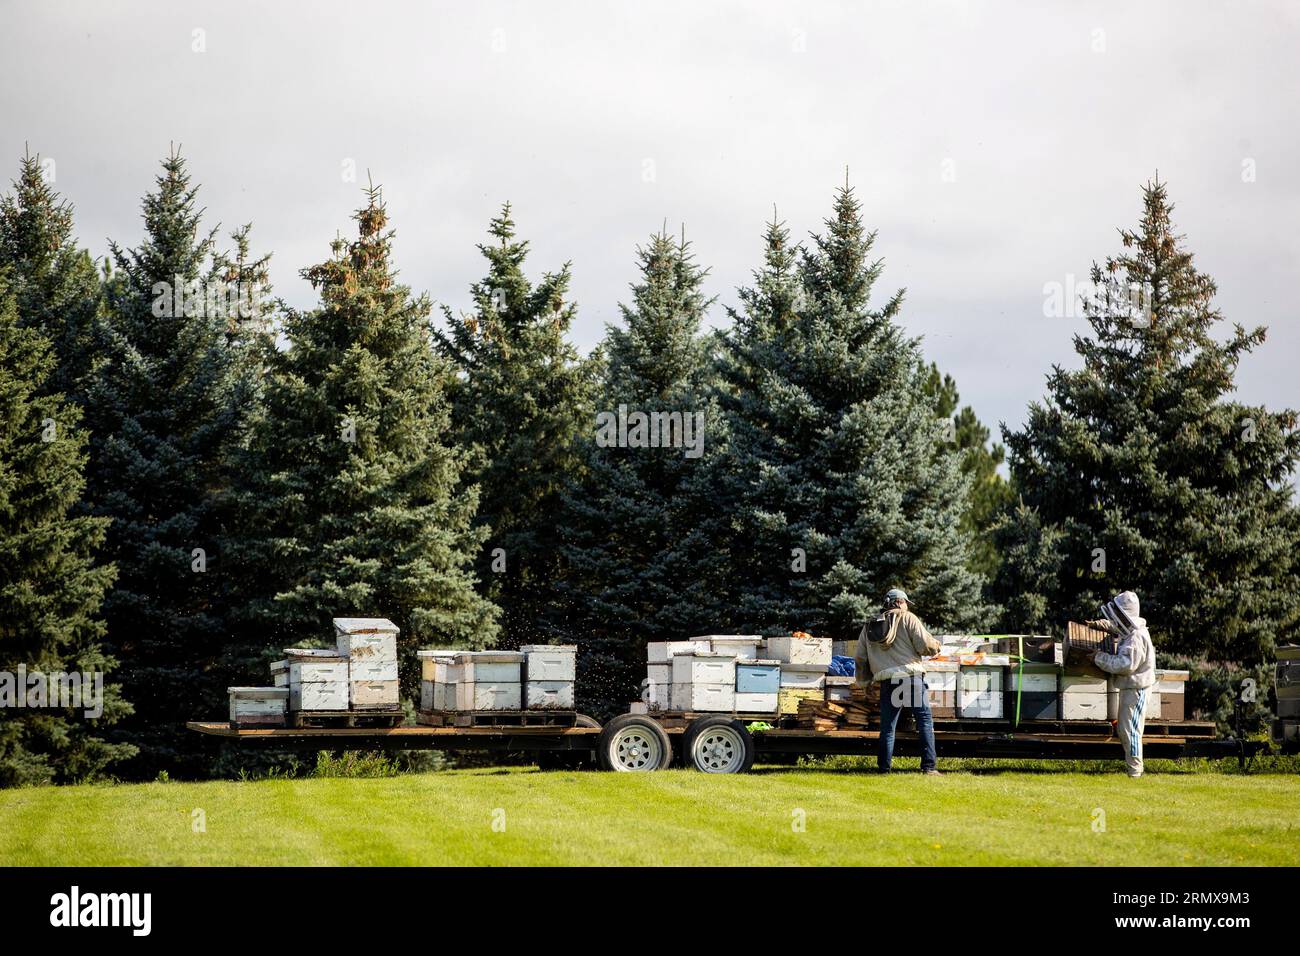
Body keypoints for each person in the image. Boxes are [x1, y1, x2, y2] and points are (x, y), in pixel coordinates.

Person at [856, 588, 943, 775]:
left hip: (888, 681)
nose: (906, 606)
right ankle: (929, 767)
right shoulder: (908, 618)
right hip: (911, 679)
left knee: (888, 727)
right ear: (899, 602)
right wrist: (937, 647)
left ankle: (883, 769)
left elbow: (860, 658)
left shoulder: (870, 625)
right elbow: (924, 645)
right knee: (924, 722)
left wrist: (865, 683)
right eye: (905, 602)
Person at [1087, 590, 1157, 778]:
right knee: (1126, 729)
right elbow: (1115, 626)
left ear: (1125, 615)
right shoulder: (1130, 630)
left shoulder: (1136, 637)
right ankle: (1133, 770)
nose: (1115, 618)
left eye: (1118, 614)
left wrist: (1099, 658)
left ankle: (1135, 772)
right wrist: (1099, 625)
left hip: (1137, 688)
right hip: (1130, 687)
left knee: (1131, 730)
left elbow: (1125, 665)